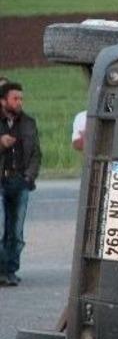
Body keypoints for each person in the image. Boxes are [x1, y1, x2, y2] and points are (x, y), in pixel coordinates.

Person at [0, 82, 41, 286]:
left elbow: (35, 153)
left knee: (16, 231)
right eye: (15, 98)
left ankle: (10, 270)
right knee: (1, 228)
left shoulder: (28, 123)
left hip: (20, 181)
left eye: (21, 98)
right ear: (3, 101)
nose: (19, 102)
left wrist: (28, 178)